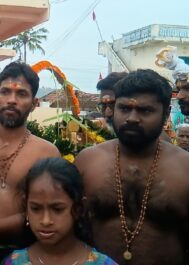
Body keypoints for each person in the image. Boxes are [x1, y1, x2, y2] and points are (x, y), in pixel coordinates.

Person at [75, 69, 189, 265]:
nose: (132, 118)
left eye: (145, 110)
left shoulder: (185, 167)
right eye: (124, 108)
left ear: (166, 113)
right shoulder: (87, 162)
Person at [0, 62, 60, 265]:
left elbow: (48, 211)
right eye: (5, 92)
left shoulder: (46, 152)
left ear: (34, 102)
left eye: (21, 94)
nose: (11, 100)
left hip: (23, 255)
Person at [1, 157, 117, 265]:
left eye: (57, 209)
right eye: (35, 209)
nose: (45, 221)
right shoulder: (14, 262)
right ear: (26, 206)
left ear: (78, 209)